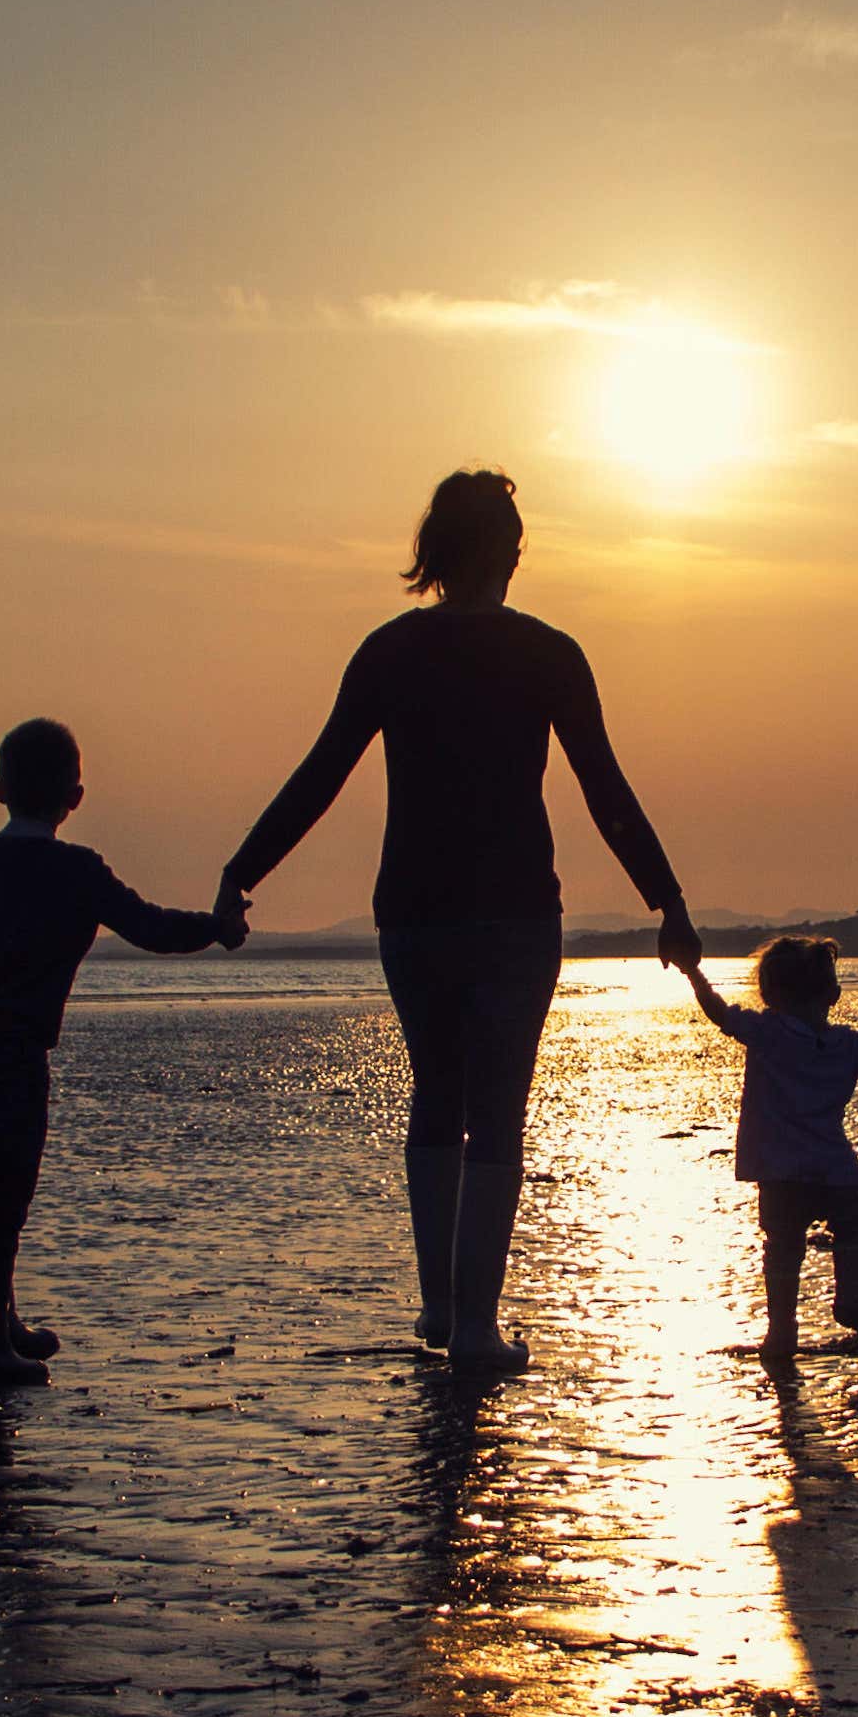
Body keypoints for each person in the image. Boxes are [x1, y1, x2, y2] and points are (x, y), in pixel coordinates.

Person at [217, 469, 698, 1374]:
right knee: (498, 1112)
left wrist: (242, 873)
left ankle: (439, 1307)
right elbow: (606, 791)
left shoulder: (389, 651)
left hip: (415, 911)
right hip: (514, 910)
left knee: (435, 1093)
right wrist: (666, 902)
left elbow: (319, 776)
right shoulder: (550, 653)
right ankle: (474, 1323)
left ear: (432, 555)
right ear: (510, 552)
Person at [0, 718, 238, 1392]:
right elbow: (152, 927)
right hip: (13, 1052)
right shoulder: (75, 871)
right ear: (76, 795)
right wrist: (215, 927)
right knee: (1, 1202)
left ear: (0, 787)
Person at [681, 935, 858, 1360]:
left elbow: (720, 1014)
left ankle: (781, 1330)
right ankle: (852, 1303)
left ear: (770, 993)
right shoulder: (847, 1045)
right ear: (833, 994)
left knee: (783, 1249)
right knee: (855, 1233)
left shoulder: (767, 1032)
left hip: (779, 1172)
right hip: (834, 1170)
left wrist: (694, 973)